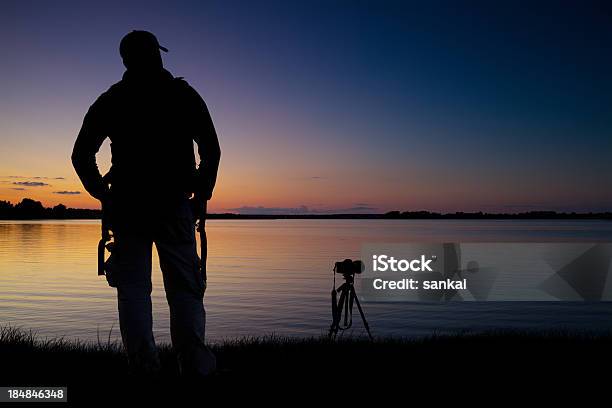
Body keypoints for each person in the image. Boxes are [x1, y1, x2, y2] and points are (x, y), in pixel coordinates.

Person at [71, 30, 221, 376]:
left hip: (128, 206)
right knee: (184, 287)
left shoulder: (112, 99)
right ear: (157, 54)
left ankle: (143, 368)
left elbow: (81, 155)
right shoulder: (183, 95)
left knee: (133, 290)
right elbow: (211, 150)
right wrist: (201, 193)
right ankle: (195, 367)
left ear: (126, 60)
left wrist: (103, 194)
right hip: (172, 205)